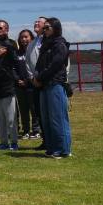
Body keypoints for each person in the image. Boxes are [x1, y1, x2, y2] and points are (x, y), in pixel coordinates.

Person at [33, 18, 72, 158]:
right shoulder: (45, 45)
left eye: (47, 27)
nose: (44, 30)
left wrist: (40, 77)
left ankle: (62, 149)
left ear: (55, 28)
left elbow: (55, 65)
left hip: (55, 84)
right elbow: (39, 64)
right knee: (46, 118)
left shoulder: (60, 44)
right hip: (44, 85)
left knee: (58, 118)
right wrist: (36, 77)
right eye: (44, 28)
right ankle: (51, 147)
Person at [24, 17, 47, 141]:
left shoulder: (50, 40)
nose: (36, 23)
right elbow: (27, 62)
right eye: (35, 22)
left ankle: (52, 140)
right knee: (39, 112)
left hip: (48, 81)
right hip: (35, 83)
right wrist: (32, 78)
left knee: (49, 112)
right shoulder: (32, 43)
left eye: (39, 22)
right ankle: (45, 140)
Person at [15, 29, 38, 140]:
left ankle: (36, 130)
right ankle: (26, 131)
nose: (24, 39)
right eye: (22, 37)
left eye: (26, 37)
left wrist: (27, 80)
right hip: (20, 86)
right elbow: (13, 68)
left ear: (31, 38)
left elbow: (35, 68)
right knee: (23, 110)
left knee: (34, 109)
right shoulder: (17, 53)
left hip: (32, 85)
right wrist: (17, 79)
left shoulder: (34, 52)